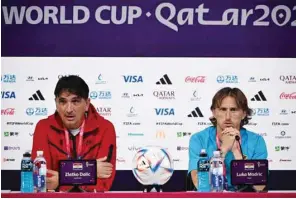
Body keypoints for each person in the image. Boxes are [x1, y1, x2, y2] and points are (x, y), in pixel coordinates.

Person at [31, 75, 116, 192]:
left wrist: (61, 179)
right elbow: (43, 180)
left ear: (87, 104)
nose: (69, 109)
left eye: (75, 101)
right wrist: (90, 170)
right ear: (56, 103)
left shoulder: (105, 128)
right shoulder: (43, 128)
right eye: (63, 102)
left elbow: (104, 182)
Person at [188, 87, 267, 192]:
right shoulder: (199, 139)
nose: (228, 116)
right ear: (214, 112)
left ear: (243, 114)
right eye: (223, 109)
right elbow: (199, 183)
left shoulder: (256, 141)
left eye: (233, 110)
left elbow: (259, 187)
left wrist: (236, 152)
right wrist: (223, 150)